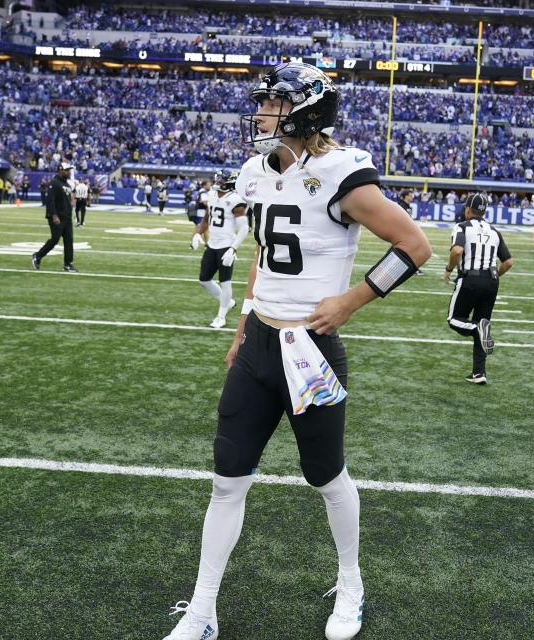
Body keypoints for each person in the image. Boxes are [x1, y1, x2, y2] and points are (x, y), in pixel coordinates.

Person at [162, 62, 431, 640]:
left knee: (326, 476)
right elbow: (265, 250)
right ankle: (203, 610)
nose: (260, 112)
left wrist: (351, 301)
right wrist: (241, 327)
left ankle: (351, 582)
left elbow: (415, 245)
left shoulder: (343, 173)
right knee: (227, 478)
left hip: (311, 348)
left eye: (272, 103)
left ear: (304, 112)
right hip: (260, 342)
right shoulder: (253, 172)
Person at [444, 193, 514, 385]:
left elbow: (457, 250)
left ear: (468, 209)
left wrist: (449, 269)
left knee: (454, 320)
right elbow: (508, 262)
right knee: (483, 323)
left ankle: (476, 330)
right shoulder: (494, 231)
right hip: (492, 280)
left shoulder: (462, 227)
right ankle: (479, 372)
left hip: (470, 278)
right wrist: (493, 277)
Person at [190, 169, 248, 329]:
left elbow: (244, 228)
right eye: (218, 179)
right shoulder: (212, 196)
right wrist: (197, 234)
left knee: (225, 282)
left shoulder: (236, 200)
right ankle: (227, 302)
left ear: (229, 182)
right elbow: (206, 220)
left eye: (221, 180)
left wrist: (233, 249)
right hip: (212, 245)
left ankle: (221, 316)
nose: (218, 182)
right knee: (204, 280)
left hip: (226, 246)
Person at [31, 162, 77, 272]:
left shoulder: (67, 185)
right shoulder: (54, 183)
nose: (68, 172)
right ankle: (37, 256)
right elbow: (50, 201)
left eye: (69, 170)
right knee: (55, 239)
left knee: (69, 240)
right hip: (57, 217)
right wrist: (54, 215)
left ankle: (68, 264)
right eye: (66, 170)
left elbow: (69, 200)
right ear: (60, 170)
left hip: (67, 216)